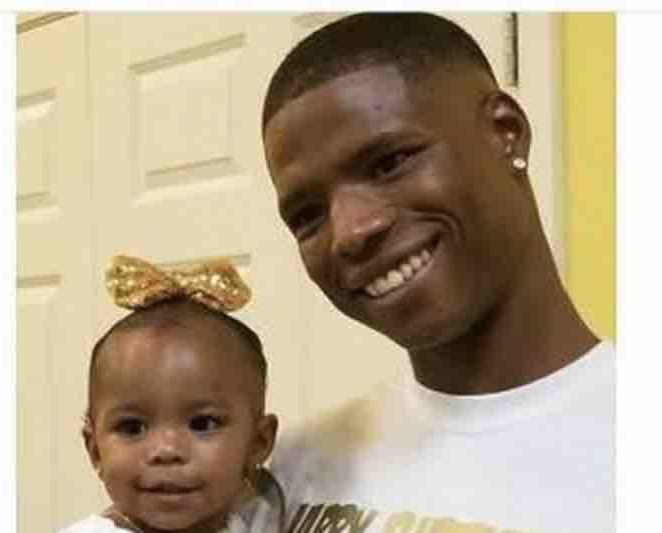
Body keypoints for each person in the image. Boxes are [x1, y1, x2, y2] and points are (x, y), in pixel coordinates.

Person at [259, 13, 614, 533]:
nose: (350, 232)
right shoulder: (295, 466)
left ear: (506, 133)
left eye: (389, 163)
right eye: (307, 215)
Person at [60, 255, 282, 533]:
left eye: (203, 424)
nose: (166, 450)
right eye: (132, 427)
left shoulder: (268, 520)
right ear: (95, 451)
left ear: (258, 443)